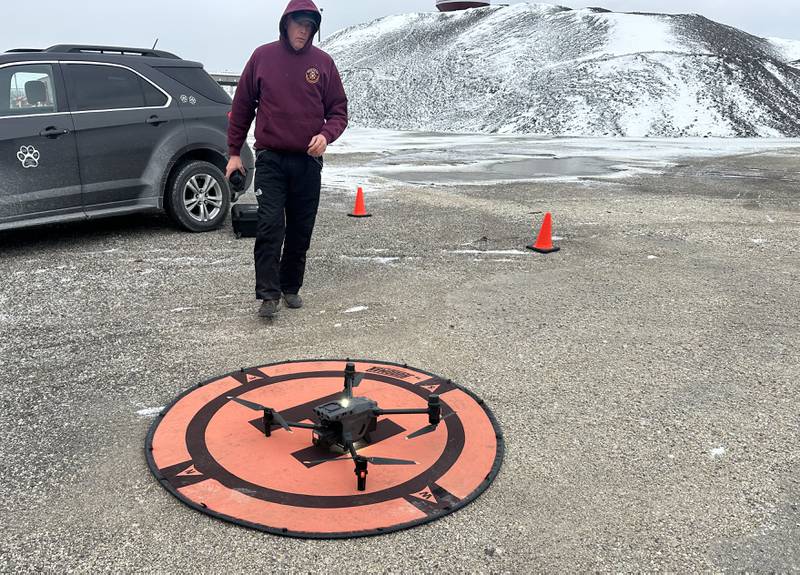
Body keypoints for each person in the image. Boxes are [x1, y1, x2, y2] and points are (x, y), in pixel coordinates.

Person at [226, 0, 348, 318]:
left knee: (300, 228)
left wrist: (326, 135)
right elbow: (241, 107)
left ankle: (290, 287)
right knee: (269, 226)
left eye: (309, 25)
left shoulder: (323, 63)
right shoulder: (262, 57)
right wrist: (234, 153)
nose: (303, 30)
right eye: (298, 23)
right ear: (286, 23)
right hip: (271, 159)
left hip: (308, 162)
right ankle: (268, 295)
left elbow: (338, 110)